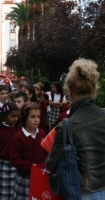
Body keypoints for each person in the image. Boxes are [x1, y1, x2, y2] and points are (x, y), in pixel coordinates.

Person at [46, 58, 105, 199]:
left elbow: (50, 165)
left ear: (70, 92)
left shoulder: (66, 126)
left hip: (84, 192)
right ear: (94, 89)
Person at [10, 102, 47, 199]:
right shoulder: (19, 137)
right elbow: (14, 159)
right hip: (25, 177)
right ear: (24, 118)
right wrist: (30, 166)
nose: (36, 120)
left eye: (38, 117)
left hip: (40, 175)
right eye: (33, 117)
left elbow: (46, 152)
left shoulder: (42, 133)